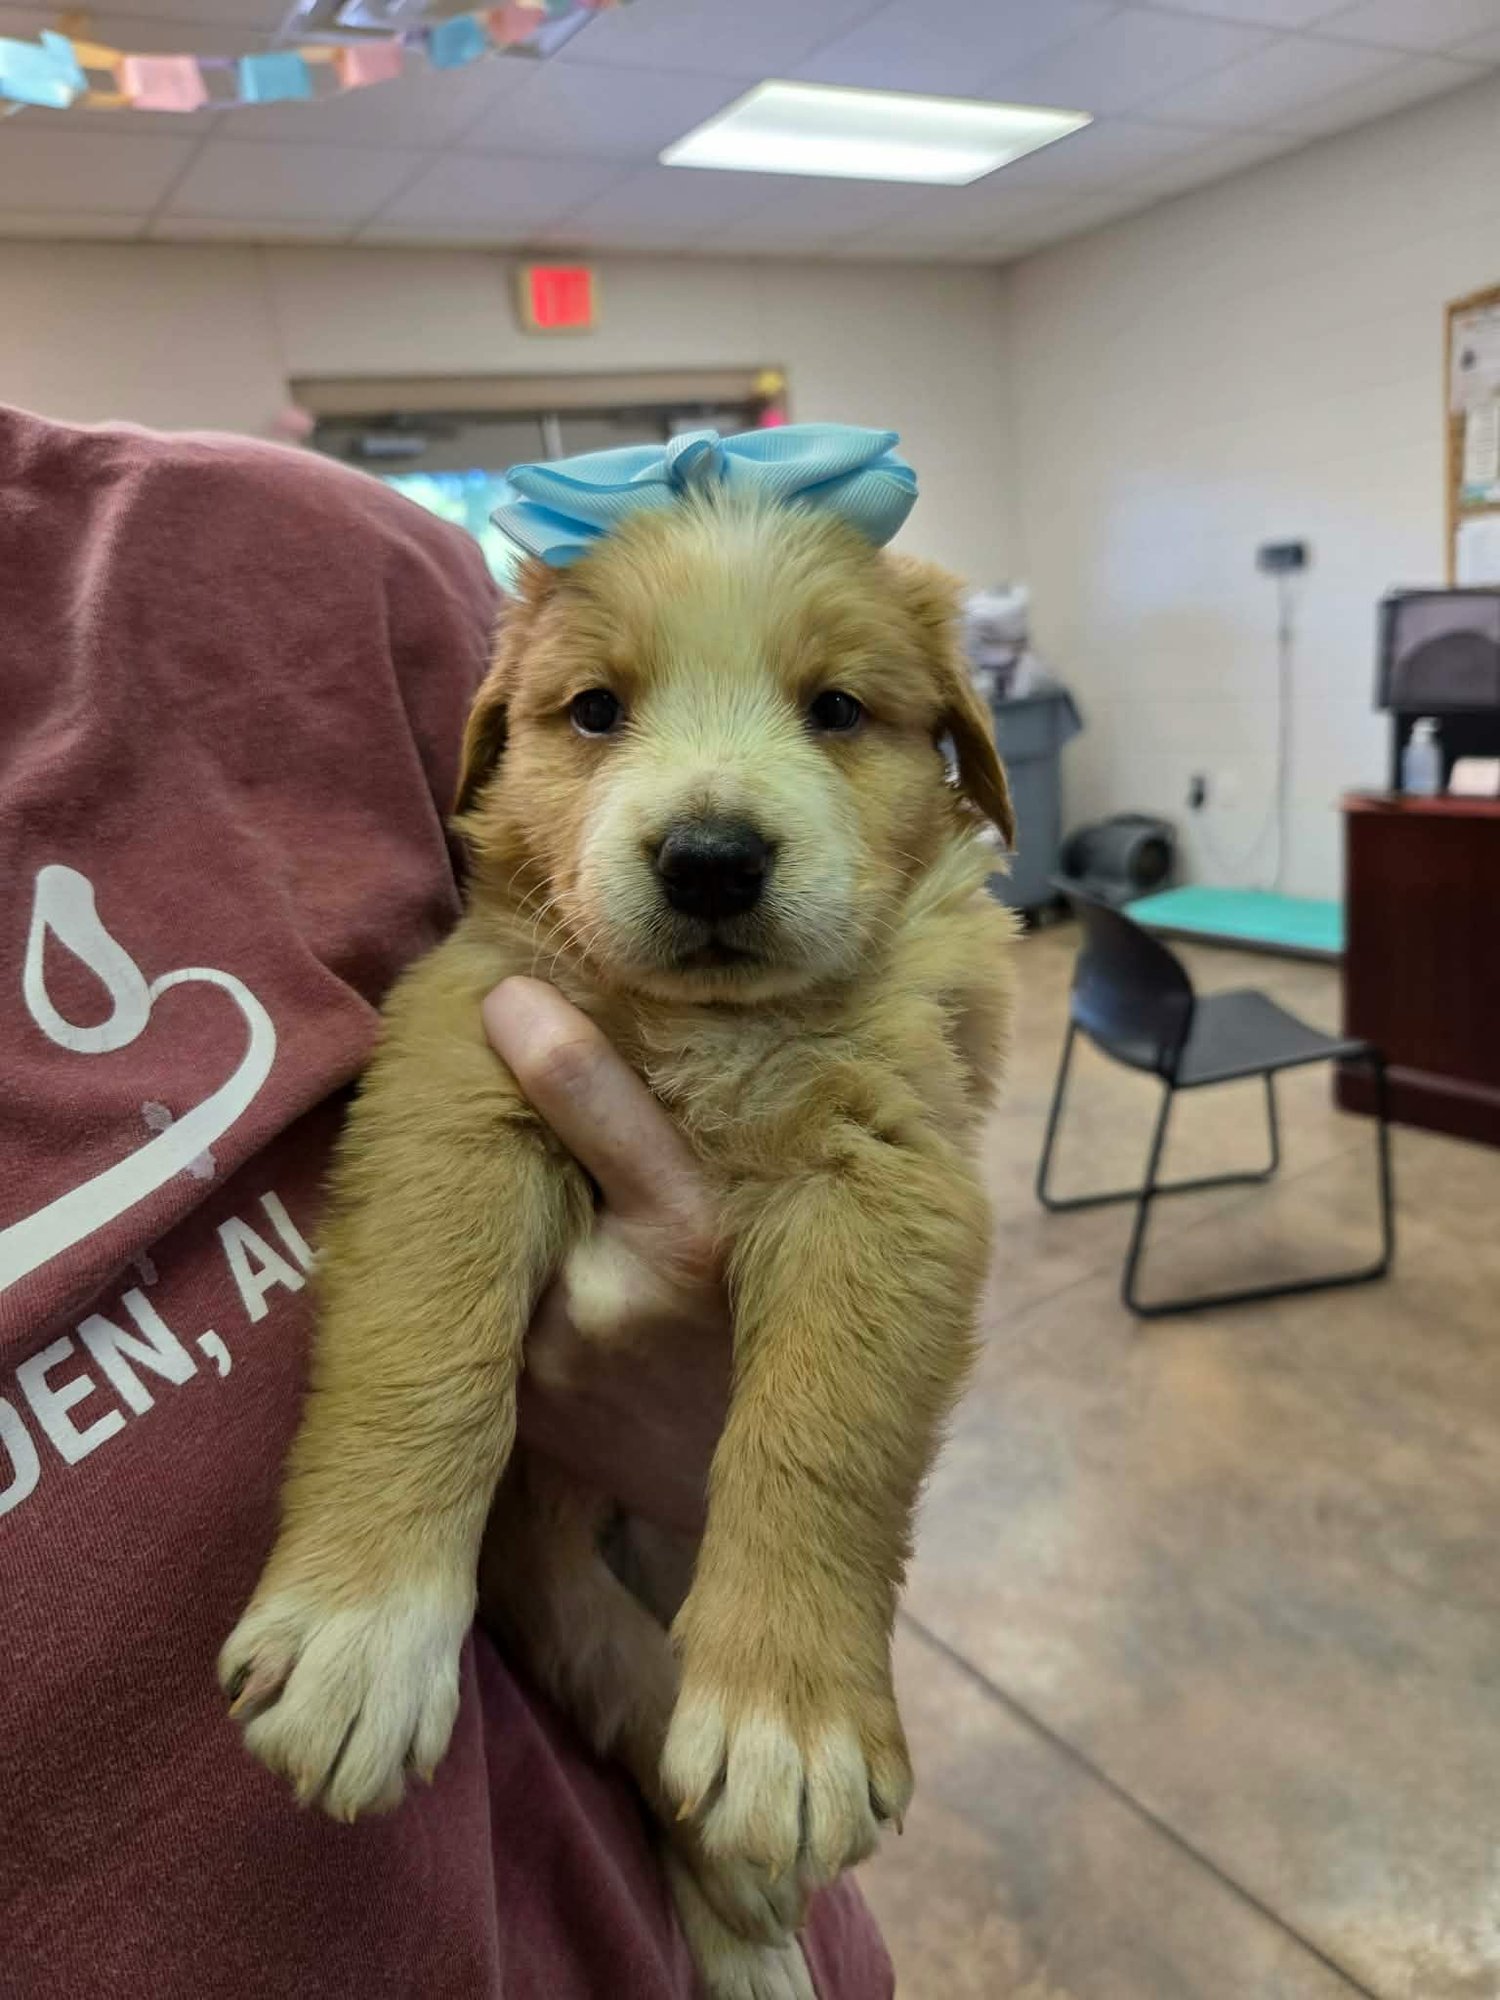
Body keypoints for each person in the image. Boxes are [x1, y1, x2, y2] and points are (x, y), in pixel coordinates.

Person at [0, 404, 893, 1998]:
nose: (707, 809)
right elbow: (458, 1139)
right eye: (598, 711)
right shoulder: (514, 898)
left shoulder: (338, 566)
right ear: (504, 745)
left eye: (829, 707)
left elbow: (878, 1248)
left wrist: (772, 1474)